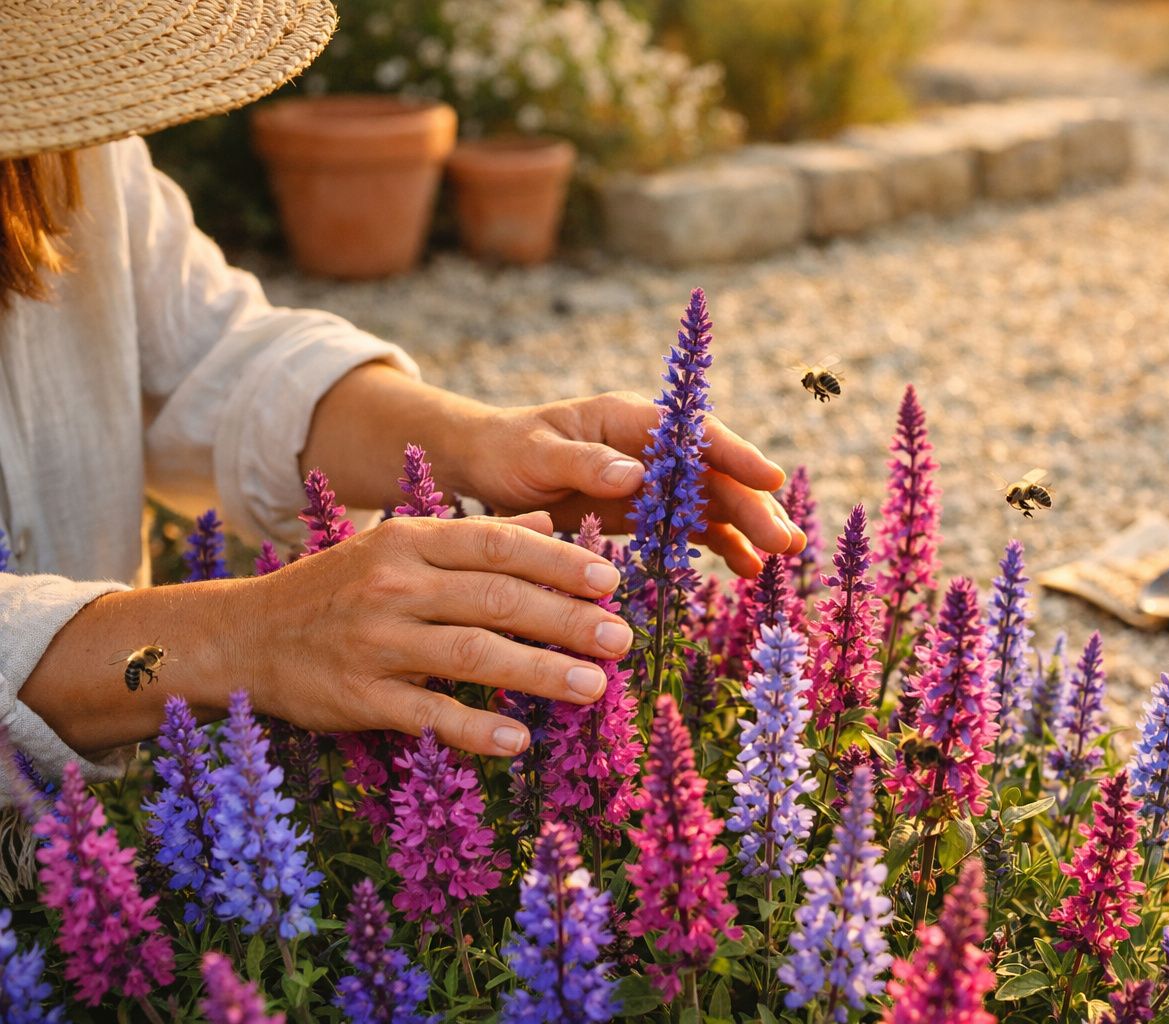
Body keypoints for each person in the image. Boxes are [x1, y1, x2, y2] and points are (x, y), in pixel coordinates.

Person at [0, 0, 803, 792]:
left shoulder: (73, 141)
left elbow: (211, 358)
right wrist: (249, 632)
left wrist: (480, 445)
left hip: (100, 813)